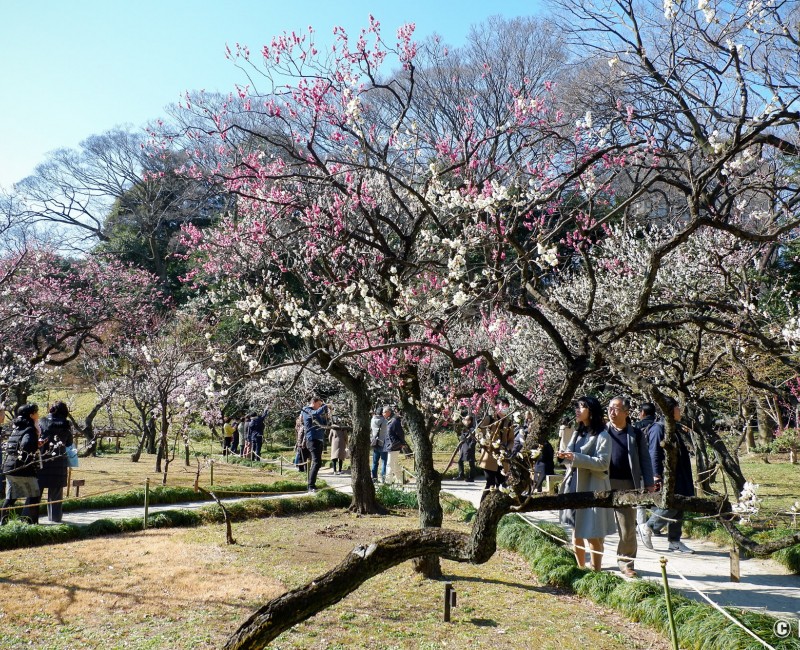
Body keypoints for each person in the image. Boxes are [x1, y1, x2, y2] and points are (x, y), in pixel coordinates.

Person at [557, 396, 616, 571]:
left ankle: (595, 571)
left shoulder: (602, 435)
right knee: (575, 533)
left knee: (592, 534)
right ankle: (581, 569)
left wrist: (576, 458)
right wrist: (564, 456)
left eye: (582, 407)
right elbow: (570, 455)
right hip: (574, 487)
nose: (577, 410)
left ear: (592, 411)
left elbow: (603, 463)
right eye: (577, 407)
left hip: (592, 488)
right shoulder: (578, 432)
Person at [605, 396, 656, 578]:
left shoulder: (635, 433)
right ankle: (592, 561)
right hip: (603, 483)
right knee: (594, 524)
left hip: (627, 485)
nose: (612, 411)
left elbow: (645, 459)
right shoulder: (602, 431)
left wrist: (649, 483)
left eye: (616, 408)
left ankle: (626, 563)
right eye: (610, 408)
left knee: (627, 528)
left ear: (626, 412)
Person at [639, 398, 696, 554]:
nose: (680, 411)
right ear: (670, 409)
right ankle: (648, 526)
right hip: (667, 475)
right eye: (678, 407)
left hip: (680, 474)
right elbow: (654, 453)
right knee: (672, 504)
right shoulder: (658, 428)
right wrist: (656, 475)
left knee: (680, 504)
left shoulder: (673, 428)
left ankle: (674, 541)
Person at [1, 403, 42, 525]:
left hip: (9, 467)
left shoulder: (16, 429)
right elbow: (27, 445)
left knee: (11, 498)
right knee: (34, 496)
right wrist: (35, 446)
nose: (38, 414)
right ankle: (32, 524)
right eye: (36, 412)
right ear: (31, 415)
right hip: (23, 468)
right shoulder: (30, 429)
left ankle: (3, 524)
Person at [37, 401, 73, 523]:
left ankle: (30, 519)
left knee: (36, 492)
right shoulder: (66, 425)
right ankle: (55, 519)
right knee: (56, 493)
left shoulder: (41, 422)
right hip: (58, 462)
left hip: (42, 460)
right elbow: (69, 443)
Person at [476, 397, 514, 497]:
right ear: (496, 406)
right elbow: (479, 432)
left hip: (502, 457)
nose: (505, 408)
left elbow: (511, 440)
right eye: (503, 405)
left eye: (507, 406)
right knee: (490, 484)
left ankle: (496, 507)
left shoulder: (508, 422)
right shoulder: (490, 419)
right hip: (489, 457)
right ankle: (482, 508)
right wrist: (484, 441)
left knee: (502, 484)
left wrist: (507, 448)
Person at [633, 402, 658, 534]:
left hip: (640, 465)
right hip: (656, 466)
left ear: (642, 412)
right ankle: (655, 523)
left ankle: (642, 525)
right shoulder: (659, 426)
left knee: (640, 497)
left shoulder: (637, 427)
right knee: (655, 497)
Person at [301, 396, 329, 492]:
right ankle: (311, 485)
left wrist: (326, 417)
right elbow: (316, 412)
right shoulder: (306, 410)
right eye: (319, 404)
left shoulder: (316, 413)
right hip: (312, 439)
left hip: (319, 439)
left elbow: (323, 424)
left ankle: (312, 484)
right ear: (314, 402)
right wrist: (325, 406)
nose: (319, 406)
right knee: (317, 462)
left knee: (317, 462)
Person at [384, 406, 408, 485]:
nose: (383, 413)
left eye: (384, 412)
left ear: (388, 412)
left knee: (389, 464)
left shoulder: (394, 421)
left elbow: (400, 433)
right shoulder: (391, 420)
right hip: (391, 445)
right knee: (394, 463)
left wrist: (403, 443)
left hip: (394, 445)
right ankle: (402, 479)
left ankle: (388, 481)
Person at [456, 413, 477, 482]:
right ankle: (461, 475)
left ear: (470, 421)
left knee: (471, 463)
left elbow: (474, 440)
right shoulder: (464, 428)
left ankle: (471, 477)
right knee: (460, 461)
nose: (464, 421)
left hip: (469, 447)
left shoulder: (473, 429)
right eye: (464, 419)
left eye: (466, 419)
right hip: (463, 447)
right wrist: (460, 447)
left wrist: (470, 447)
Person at [370, 407, 388, 482]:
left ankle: (374, 478)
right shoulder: (384, 421)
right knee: (384, 462)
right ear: (382, 413)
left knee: (374, 462)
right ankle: (383, 479)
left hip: (375, 442)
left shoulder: (372, 420)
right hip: (383, 442)